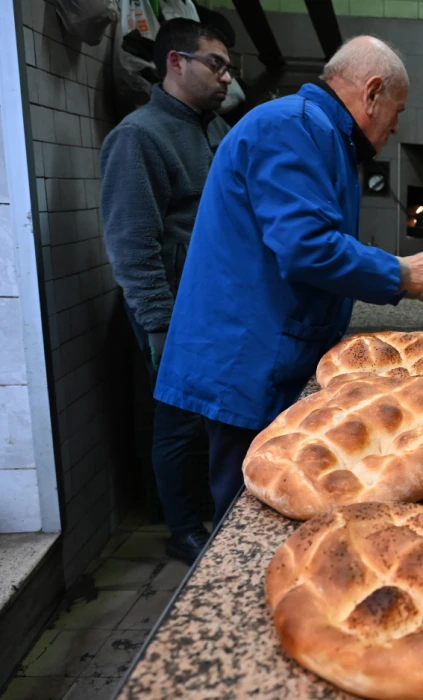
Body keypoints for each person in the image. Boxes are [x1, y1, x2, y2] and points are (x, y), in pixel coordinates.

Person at [153, 36, 423, 529]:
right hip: (248, 356)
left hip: (268, 348)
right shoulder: (293, 127)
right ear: (372, 92)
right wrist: (402, 273)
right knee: (255, 512)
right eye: (397, 109)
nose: (397, 124)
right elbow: (308, 247)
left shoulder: (320, 133)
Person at [99, 18, 234, 565]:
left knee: (203, 415)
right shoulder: (139, 136)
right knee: (176, 420)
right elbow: (131, 243)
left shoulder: (212, 132)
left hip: (209, 305)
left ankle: (204, 509)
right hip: (171, 309)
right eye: (216, 64)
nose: (227, 77)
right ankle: (182, 529)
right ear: (175, 62)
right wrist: (160, 323)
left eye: (229, 67)